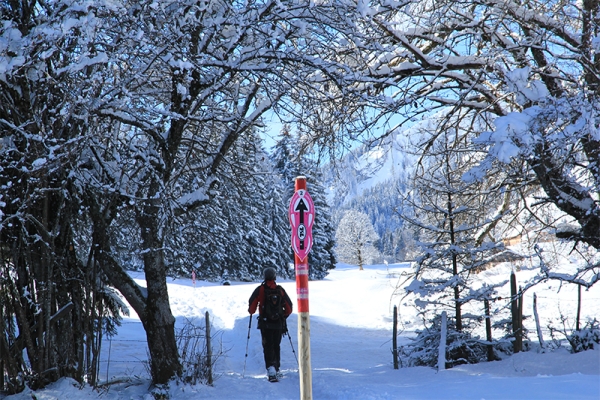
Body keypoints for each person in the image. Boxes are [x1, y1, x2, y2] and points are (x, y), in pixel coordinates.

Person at [248, 267, 293, 381]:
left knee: (267, 346)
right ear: (274, 276)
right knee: (276, 345)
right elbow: (289, 307)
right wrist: (282, 317)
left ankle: (271, 369)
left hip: (265, 323)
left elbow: (251, 308)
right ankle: (277, 368)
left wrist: (254, 311)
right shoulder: (280, 290)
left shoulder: (260, 289)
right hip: (278, 324)